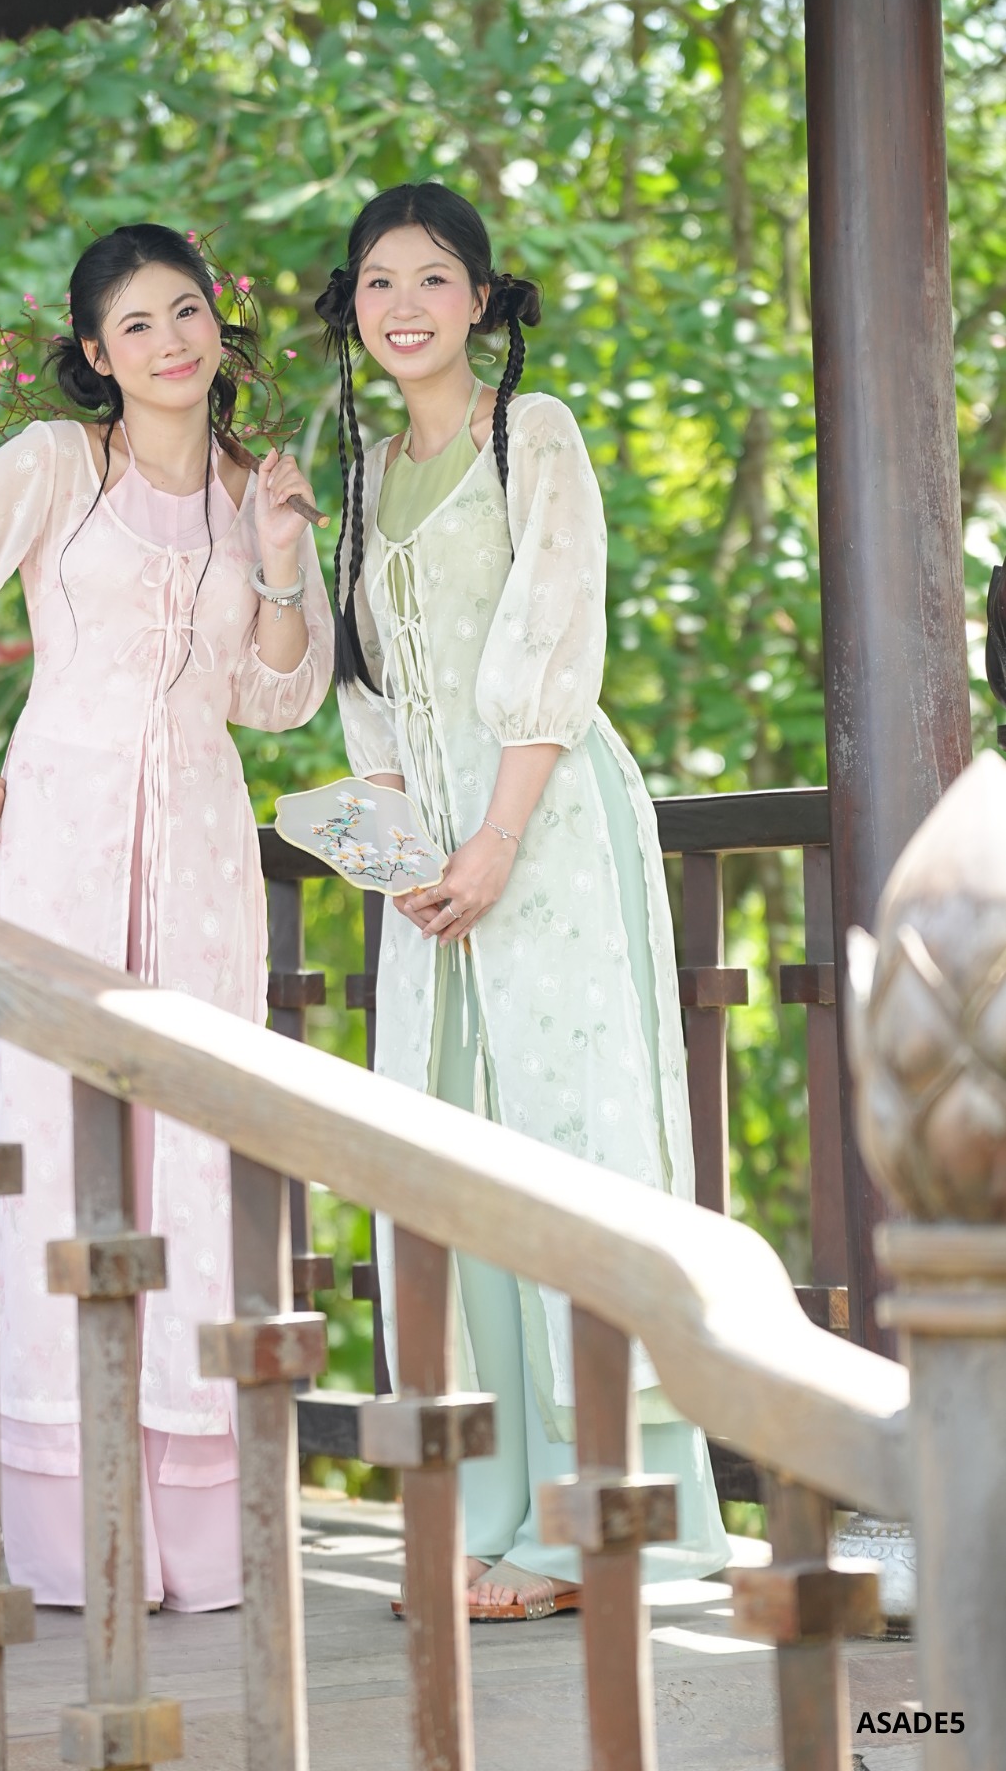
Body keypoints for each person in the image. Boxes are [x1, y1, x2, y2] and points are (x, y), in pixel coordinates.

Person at [0, 223, 331, 1610]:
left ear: (217, 324)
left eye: (185, 312)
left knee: (193, 1150)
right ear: (95, 353)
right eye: (135, 325)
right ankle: (68, 1531)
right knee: (57, 1147)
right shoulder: (53, 466)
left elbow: (277, 697)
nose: (169, 341)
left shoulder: (253, 483)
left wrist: (283, 559)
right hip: (59, 845)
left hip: (202, 854)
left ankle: (195, 1531)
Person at [319, 180, 728, 1620]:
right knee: (451, 1161)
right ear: (351, 308)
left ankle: (608, 1525)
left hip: (544, 832)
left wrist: (494, 839)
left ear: (481, 300)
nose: (405, 305)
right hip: (431, 863)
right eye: (379, 282)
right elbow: (366, 697)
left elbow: (557, 639)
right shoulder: (358, 472)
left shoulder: (528, 433)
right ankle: (495, 1509)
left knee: (572, 1141)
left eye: (435, 277)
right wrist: (398, 852)